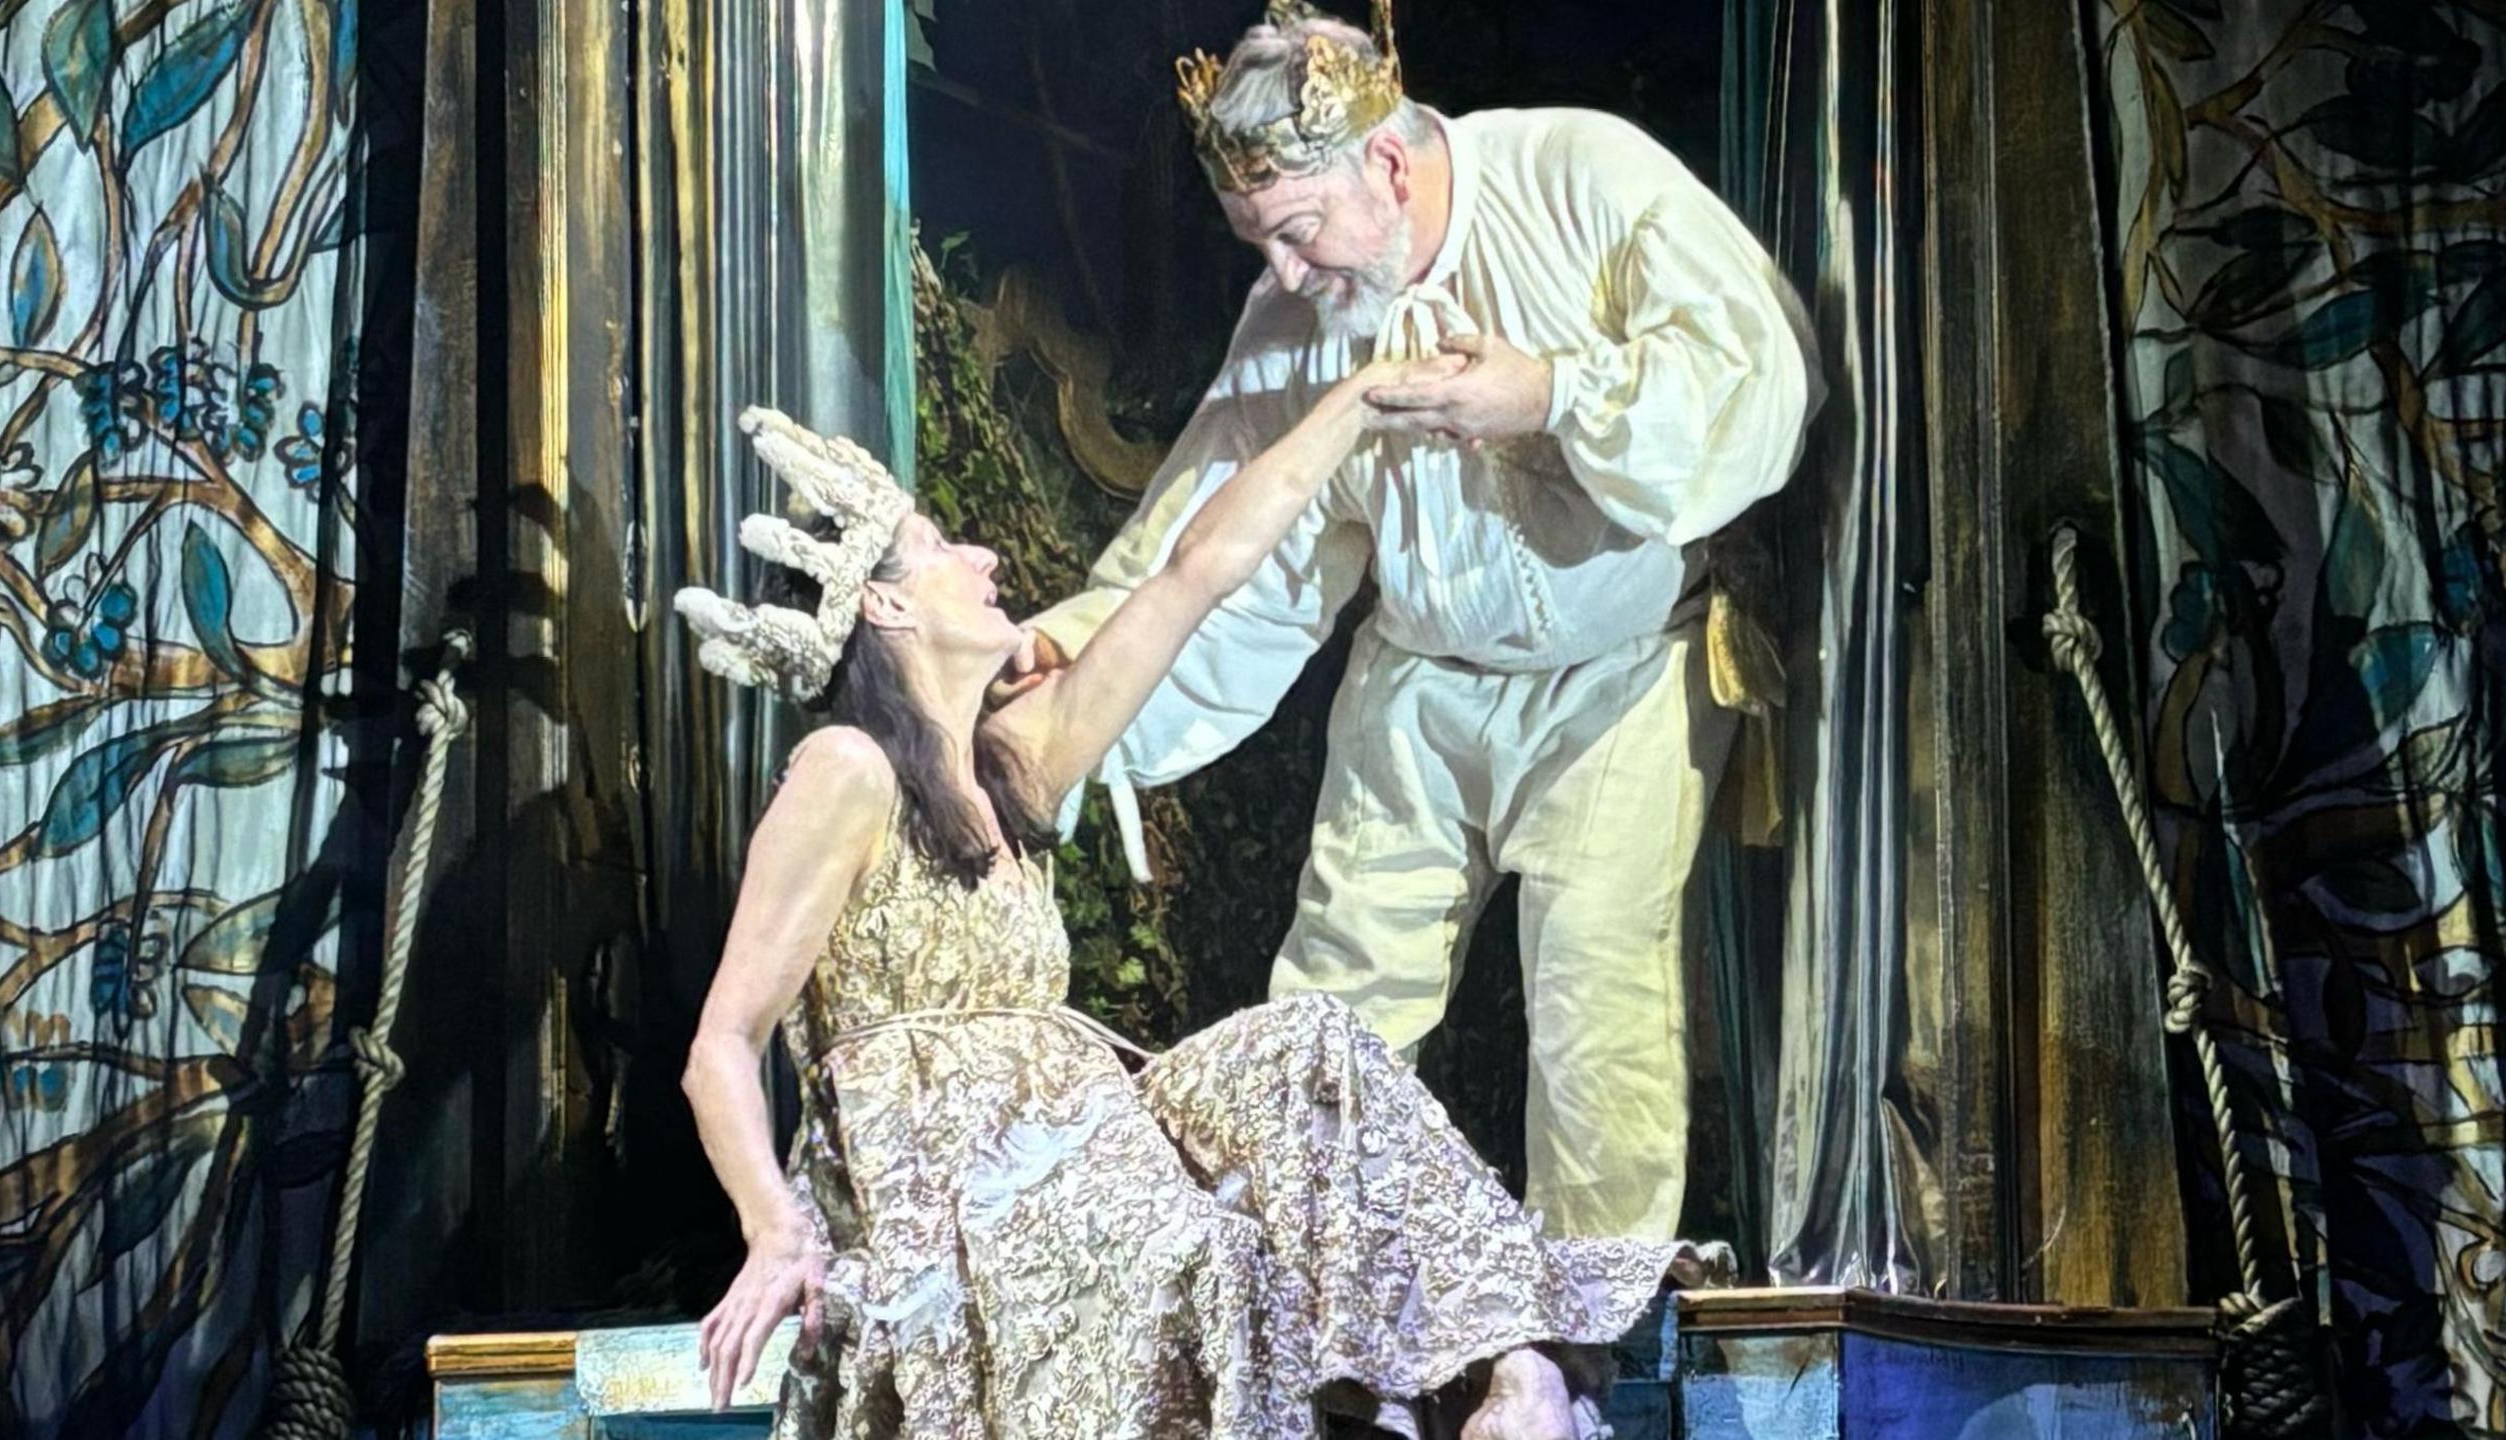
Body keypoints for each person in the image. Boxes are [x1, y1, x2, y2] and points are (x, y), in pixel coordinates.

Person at [673, 404, 1721, 1440]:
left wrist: (1355, 404)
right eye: (939, 548)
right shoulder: (845, 770)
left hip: (1092, 1129)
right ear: (886, 610)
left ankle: (1519, 1369)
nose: (982, 555)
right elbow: (723, 1044)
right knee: (1207, 1251)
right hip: (950, 1183)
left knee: (1311, 1038)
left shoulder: (1017, 757)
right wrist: (775, 1231)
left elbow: (1196, 574)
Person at [1005, 0, 1818, 1244]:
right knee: (1333, 1004)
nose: (1281, 277)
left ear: (1385, 163)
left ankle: (1575, 1358)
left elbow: (1755, 379)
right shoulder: (1297, 315)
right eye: (1255, 244)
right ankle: (1318, 1318)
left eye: (1297, 234)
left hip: (1617, 677)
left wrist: (1547, 392)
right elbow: (1221, 537)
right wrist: (1076, 655)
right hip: (1421, 683)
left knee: (1597, 1008)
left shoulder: (1578, 178)